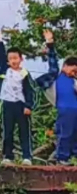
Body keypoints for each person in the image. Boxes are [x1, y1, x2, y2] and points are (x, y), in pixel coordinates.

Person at [32, 29, 77, 164]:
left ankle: (74, 157)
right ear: (65, 66)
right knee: (65, 133)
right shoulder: (55, 76)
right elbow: (53, 62)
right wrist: (50, 43)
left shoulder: (74, 81)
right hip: (65, 110)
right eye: (73, 70)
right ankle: (62, 158)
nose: (74, 73)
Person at [0, 28, 35, 165]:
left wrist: (29, 106)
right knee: (8, 131)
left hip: (20, 104)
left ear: (21, 59)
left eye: (15, 58)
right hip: (7, 104)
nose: (13, 61)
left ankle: (27, 156)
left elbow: (29, 90)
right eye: (10, 58)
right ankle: (8, 156)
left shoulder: (24, 73)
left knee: (24, 131)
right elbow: (0, 55)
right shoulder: (5, 69)